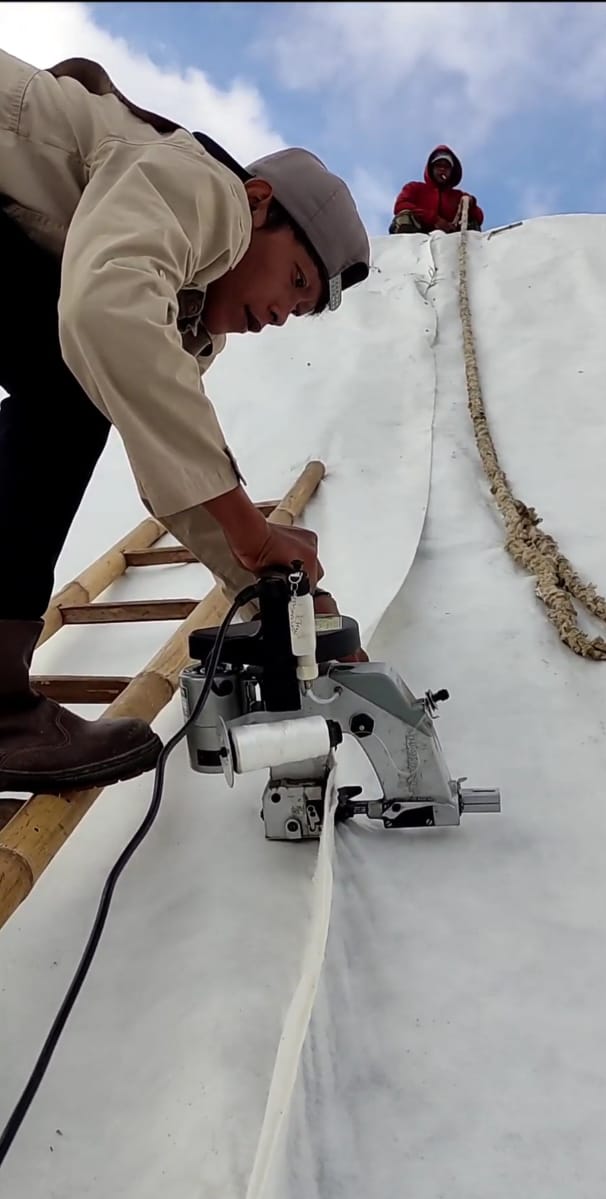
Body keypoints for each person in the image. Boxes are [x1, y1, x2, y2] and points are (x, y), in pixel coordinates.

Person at [0, 48, 371, 795]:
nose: (281, 314)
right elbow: (106, 313)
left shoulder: (185, 323)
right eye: (294, 279)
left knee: (69, 389)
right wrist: (250, 529)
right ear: (259, 203)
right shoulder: (209, 189)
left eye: (299, 310)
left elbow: (170, 456)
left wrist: (281, 596)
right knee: (70, 389)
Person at [389, 145, 484, 235]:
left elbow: (479, 217)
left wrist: (471, 203)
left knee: (472, 224)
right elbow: (401, 205)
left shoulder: (459, 196)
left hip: (450, 238)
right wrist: (434, 220)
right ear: (431, 169)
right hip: (417, 234)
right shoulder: (414, 187)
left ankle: (465, 246)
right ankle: (407, 244)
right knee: (404, 216)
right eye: (438, 165)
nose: (442, 169)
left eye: (446, 167)